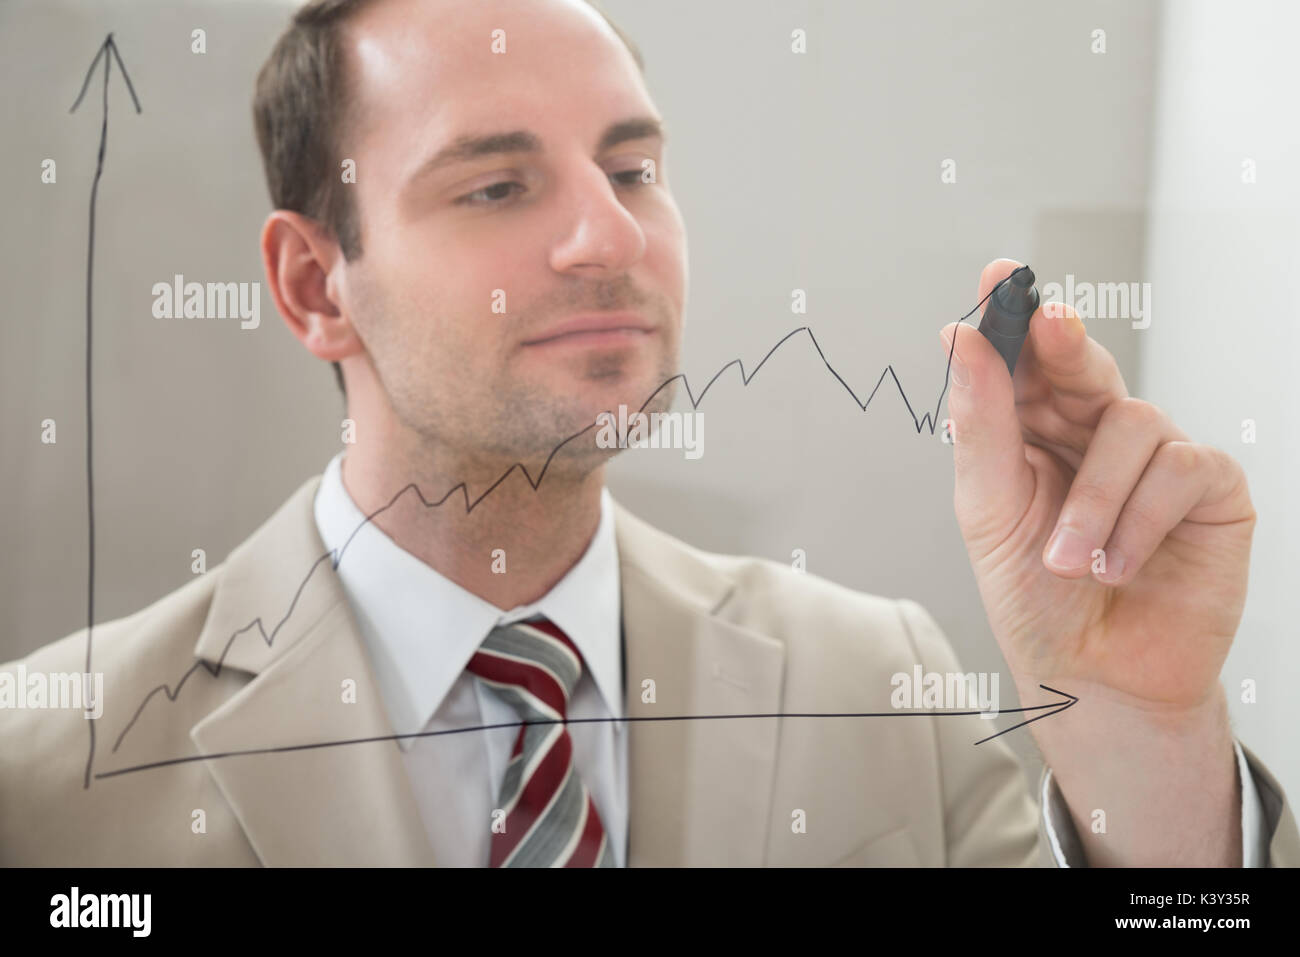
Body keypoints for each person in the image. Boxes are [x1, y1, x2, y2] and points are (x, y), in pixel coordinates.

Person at [2, 0, 1296, 867]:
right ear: (312, 286)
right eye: (498, 185)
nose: (612, 237)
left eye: (631, 171)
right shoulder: (47, 776)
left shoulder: (883, 695)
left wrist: (1149, 745)